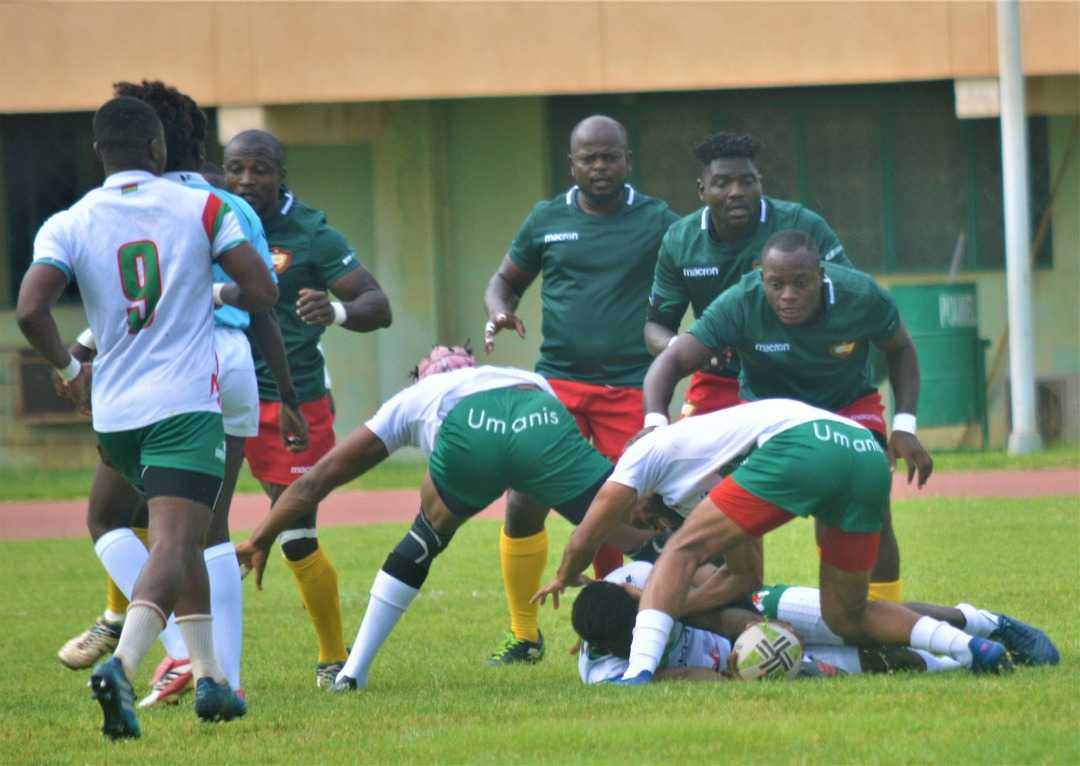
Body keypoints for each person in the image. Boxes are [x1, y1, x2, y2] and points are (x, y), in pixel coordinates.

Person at [16, 96, 278, 737]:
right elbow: (264, 291)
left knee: (160, 534)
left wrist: (72, 371)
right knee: (176, 541)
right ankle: (125, 667)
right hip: (185, 405)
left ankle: (213, 680)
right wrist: (222, 287)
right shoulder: (202, 205)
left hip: (116, 412)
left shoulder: (69, 220)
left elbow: (30, 309)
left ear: (96, 154)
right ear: (160, 151)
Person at [234, 347, 654, 691]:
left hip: (471, 434)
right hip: (539, 414)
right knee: (632, 528)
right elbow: (534, 463)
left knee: (423, 540)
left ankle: (352, 672)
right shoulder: (513, 372)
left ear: (422, 376)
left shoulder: (411, 399)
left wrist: (260, 538)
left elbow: (317, 480)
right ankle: (681, 619)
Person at [533, 398, 1022, 683]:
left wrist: (562, 575)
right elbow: (745, 574)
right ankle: (972, 644)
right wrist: (680, 608)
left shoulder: (646, 455)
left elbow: (587, 530)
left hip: (804, 443)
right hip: (861, 451)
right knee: (846, 615)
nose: (642, 521)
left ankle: (637, 677)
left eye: (638, 512)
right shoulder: (704, 479)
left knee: (681, 553)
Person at [481, 114, 679, 664]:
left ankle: (615, 626)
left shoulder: (658, 219)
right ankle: (524, 635)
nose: (599, 167)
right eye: (588, 158)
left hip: (629, 387)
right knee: (524, 498)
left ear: (627, 160)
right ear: (572, 164)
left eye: (609, 156)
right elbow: (504, 281)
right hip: (560, 384)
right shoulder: (547, 219)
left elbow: (694, 272)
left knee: (628, 507)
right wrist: (500, 312)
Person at [643, 229, 933, 602]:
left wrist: (905, 426)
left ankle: (883, 612)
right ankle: (728, 610)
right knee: (717, 514)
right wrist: (654, 424)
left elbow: (901, 348)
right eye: (776, 284)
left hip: (847, 407)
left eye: (801, 283)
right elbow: (674, 359)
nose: (788, 295)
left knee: (867, 500)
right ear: (760, 276)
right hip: (767, 418)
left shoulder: (861, 296)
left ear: (821, 274)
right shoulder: (740, 302)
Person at [224, 129, 392, 688]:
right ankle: (153, 640)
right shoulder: (210, 217)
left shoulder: (312, 234)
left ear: (282, 174)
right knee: (173, 511)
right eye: (236, 169)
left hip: (290, 403)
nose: (247, 181)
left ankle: (332, 658)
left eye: (260, 169)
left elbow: (377, 305)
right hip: (214, 389)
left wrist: (336, 310)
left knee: (296, 527)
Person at [644, 131, 850, 417]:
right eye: (722, 183)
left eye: (747, 181)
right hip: (721, 378)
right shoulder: (680, 241)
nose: (736, 191)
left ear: (760, 184)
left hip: (799, 371)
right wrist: (687, 348)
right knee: (690, 459)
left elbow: (847, 298)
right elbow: (656, 326)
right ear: (701, 190)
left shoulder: (802, 224)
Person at [573, 561, 996, 684]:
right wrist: (739, 674)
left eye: (641, 623)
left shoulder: (642, 582)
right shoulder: (607, 672)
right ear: (609, 647)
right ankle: (962, 666)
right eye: (629, 640)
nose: (642, 638)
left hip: (757, 609)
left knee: (864, 617)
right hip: (750, 664)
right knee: (882, 660)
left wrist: (764, 628)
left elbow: (719, 608)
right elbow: (682, 675)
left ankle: (983, 623)